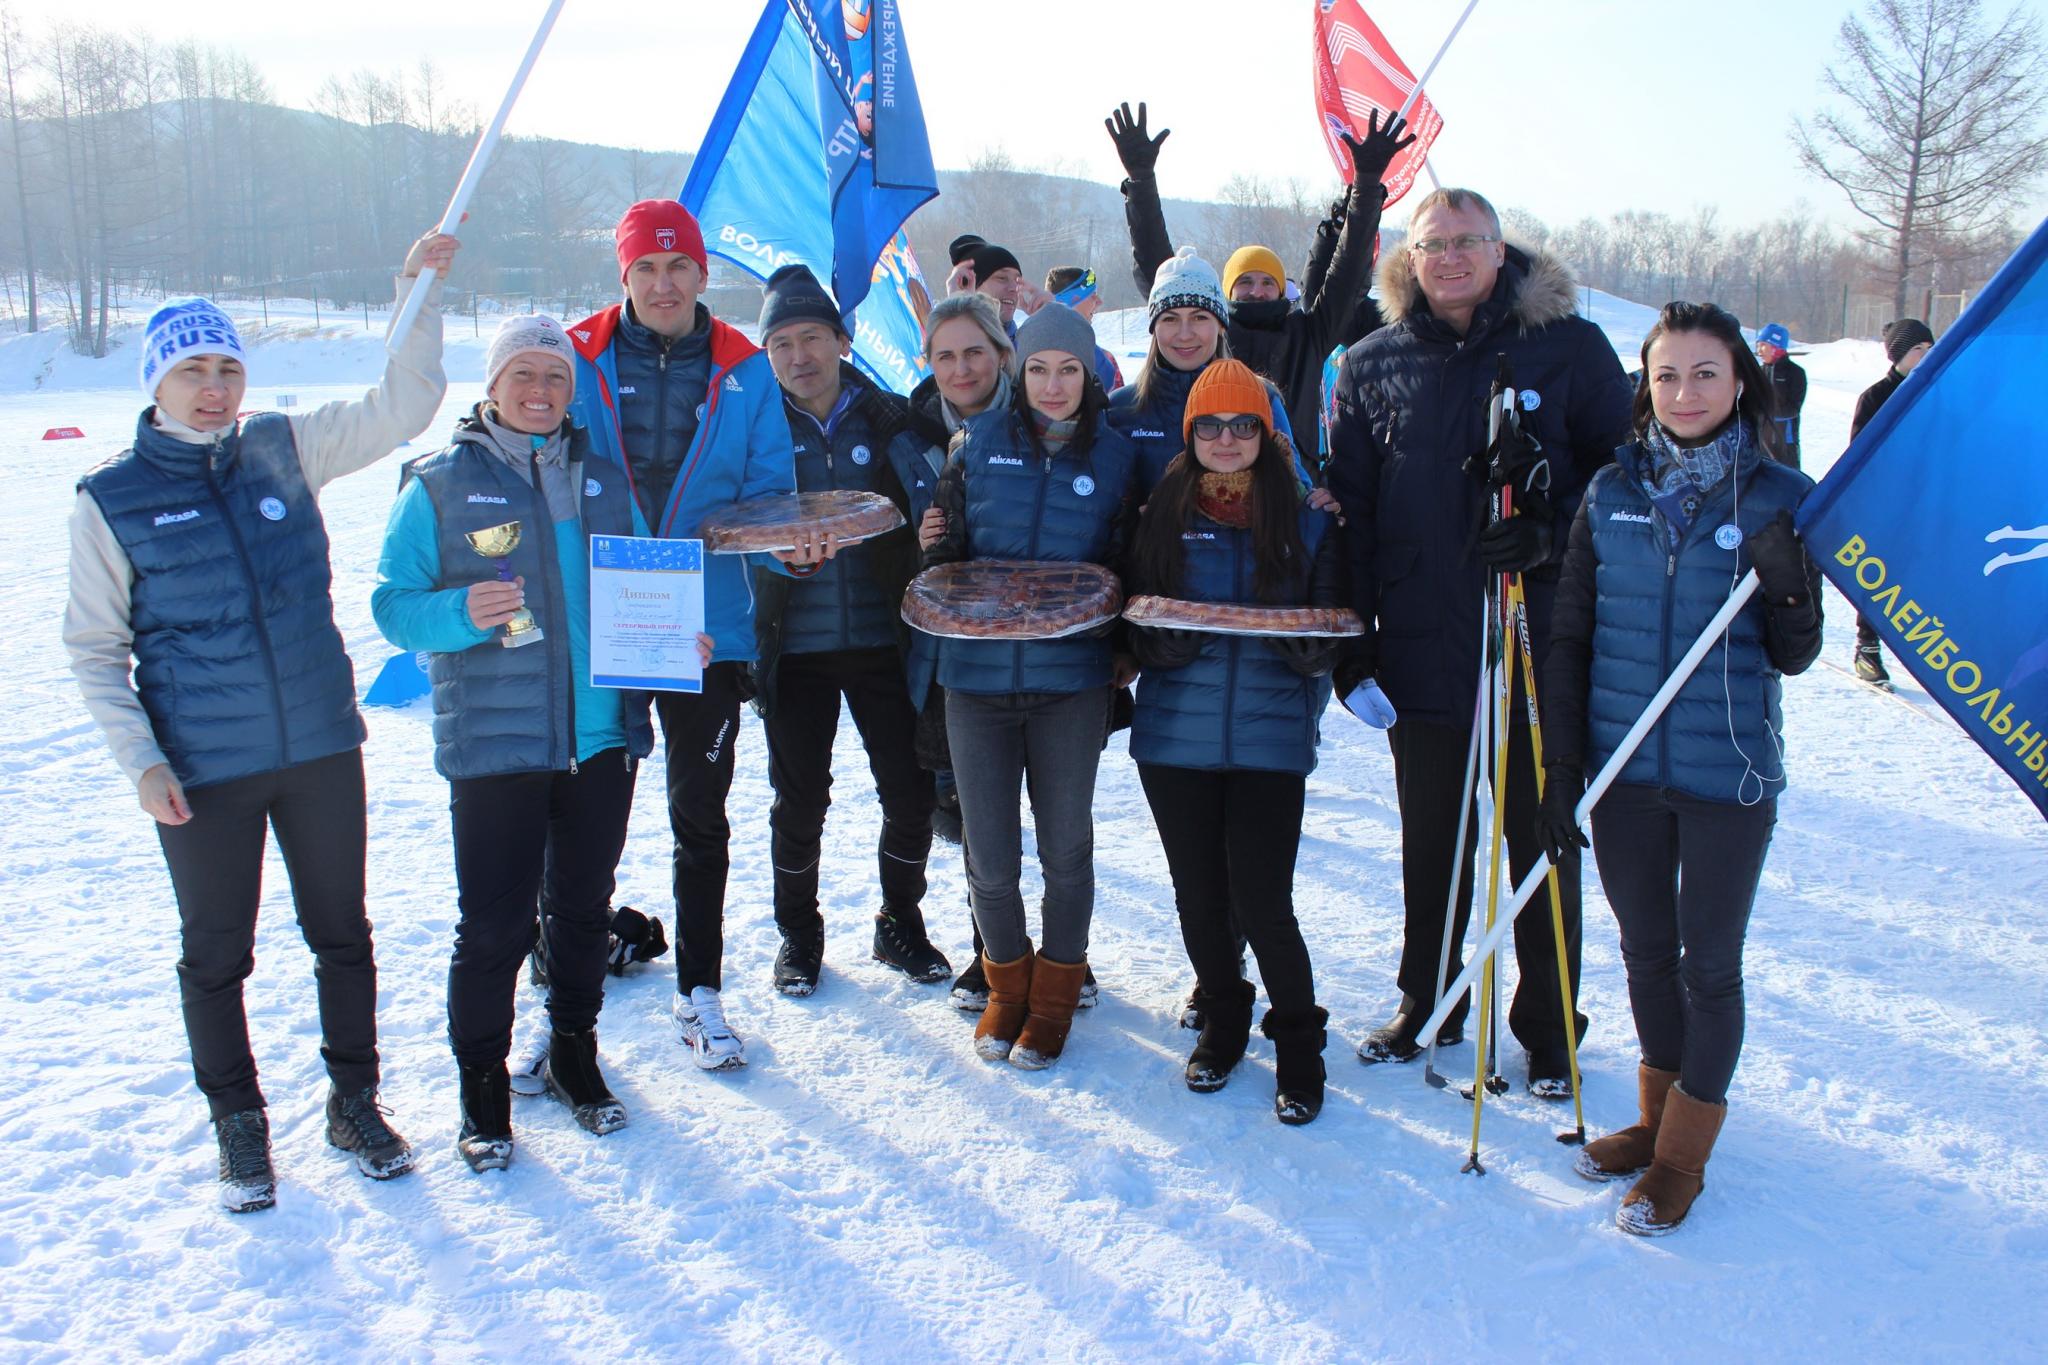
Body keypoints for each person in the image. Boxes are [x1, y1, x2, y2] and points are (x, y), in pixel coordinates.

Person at [64, 229, 455, 1211]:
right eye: (193, 370)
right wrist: (142, 762)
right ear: (157, 382)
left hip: (320, 745)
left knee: (342, 934)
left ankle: (353, 1103)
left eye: (228, 367)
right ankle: (238, 1124)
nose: (214, 387)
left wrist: (416, 293)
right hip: (205, 767)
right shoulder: (111, 499)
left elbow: (401, 406)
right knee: (216, 952)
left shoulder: (282, 449)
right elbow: (91, 648)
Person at [373, 316, 701, 1169]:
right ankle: (483, 1091)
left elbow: (635, 586)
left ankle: (573, 1057)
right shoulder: (439, 485)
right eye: (523, 372)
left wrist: (674, 641)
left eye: (555, 376)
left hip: (599, 740)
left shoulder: (603, 479)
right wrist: (454, 613)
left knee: (583, 913)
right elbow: (390, 604)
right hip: (499, 744)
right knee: (493, 929)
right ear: (492, 384)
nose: (541, 390)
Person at [1325, 187, 1634, 1093]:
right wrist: (1354, 641)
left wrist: (1549, 527)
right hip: (1421, 641)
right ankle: (1430, 997)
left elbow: (1623, 480)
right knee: (1434, 843)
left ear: (1502, 252)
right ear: (1408, 261)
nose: (1451, 258)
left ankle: (1548, 1026)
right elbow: (1351, 512)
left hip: (1534, 636)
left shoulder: (1568, 346)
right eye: (1434, 244)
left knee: (1541, 841)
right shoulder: (1374, 361)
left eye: (1469, 241)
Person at [1538, 300, 1823, 1235]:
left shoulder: (1782, 495)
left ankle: (1682, 1161)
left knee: (1710, 967)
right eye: (1667, 374)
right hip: (1624, 767)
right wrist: (1564, 766)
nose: (1685, 391)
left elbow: (1795, 652)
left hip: (1726, 777)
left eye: (1705, 372)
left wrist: (1786, 582)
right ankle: (1659, 1123)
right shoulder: (1610, 490)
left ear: (1741, 380)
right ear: (1644, 386)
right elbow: (1571, 633)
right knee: (1645, 953)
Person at [565, 201, 805, 1071]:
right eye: (646, 270)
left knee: (699, 816)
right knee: (583, 814)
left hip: (707, 630)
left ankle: (699, 991)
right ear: (623, 277)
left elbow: (772, 492)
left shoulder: (745, 370)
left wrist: (793, 552)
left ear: (703, 274)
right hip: (602, 623)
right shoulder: (574, 354)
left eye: (679, 268)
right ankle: (559, 998)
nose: (664, 285)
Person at [914, 303, 1139, 1070]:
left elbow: (1125, 565)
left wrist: (1123, 649)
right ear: (1018, 371)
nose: (1051, 385)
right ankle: (1007, 985)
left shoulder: (1114, 460)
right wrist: (933, 546)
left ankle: (1053, 996)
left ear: (1088, 375)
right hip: (975, 681)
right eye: (1038, 369)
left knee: (1067, 845)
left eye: (1068, 370)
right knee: (990, 854)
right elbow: (942, 566)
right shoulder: (975, 445)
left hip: (1069, 683)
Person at [1125, 359, 1345, 1124]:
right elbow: (1132, 606)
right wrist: (1156, 647)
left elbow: (1333, 613)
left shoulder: (1308, 514)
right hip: (1174, 736)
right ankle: (1223, 1018)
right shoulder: (1163, 506)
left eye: (1242, 424)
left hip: (1270, 736)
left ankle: (1299, 1045)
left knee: (1263, 899)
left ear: (1265, 430)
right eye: (1210, 425)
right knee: (1199, 897)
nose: (1226, 439)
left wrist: (1313, 651)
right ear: (1190, 433)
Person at [749, 264, 949, 996]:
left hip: (882, 642)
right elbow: (732, 533)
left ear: (843, 337)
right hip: (794, 647)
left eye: (811, 337)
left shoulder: (891, 420)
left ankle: (899, 921)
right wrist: (778, 570)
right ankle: (799, 934)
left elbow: (934, 510)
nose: (799, 356)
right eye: (781, 344)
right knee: (800, 799)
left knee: (909, 790)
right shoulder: (755, 428)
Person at [1107, 100, 1410, 470]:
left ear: (1282, 290)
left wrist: (1365, 188)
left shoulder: (1307, 336)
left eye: (1268, 282)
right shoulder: (1209, 330)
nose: (1256, 290)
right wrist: (1140, 182)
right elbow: (1164, 272)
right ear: (1226, 294)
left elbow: (1347, 275)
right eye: (1245, 281)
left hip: (1289, 487)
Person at [893, 292, 1016, 1007]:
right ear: (928, 363)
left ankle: (1064, 952)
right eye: (946, 355)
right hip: (942, 652)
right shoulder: (907, 435)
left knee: (1054, 812)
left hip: (1032, 644)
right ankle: (990, 950)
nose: (961, 367)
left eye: (975, 351)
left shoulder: (1043, 417)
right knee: (974, 809)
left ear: (1002, 353)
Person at [1107, 247, 1300, 492]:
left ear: (1220, 325)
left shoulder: (1261, 397)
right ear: (1154, 329)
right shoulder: (1120, 408)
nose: (1185, 334)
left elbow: (1295, 490)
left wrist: (1318, 507)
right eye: (1170, 319)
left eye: (1199, 318)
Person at [1845, 318, 1936, 685]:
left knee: (1926, 575)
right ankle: (1867, 647)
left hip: (1927, 500)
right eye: (1918, 350)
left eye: (1931, 348)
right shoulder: (1876, 396)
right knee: (1884, 576)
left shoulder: (1938, 390)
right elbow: (1859, 456)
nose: (1926, 356)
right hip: (1887, 504)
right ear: (1898, 355)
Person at [1045, 266, 1125, 394]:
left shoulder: (1033, 354)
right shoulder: (1033, 355)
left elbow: (1118, 409)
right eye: (1092, 295)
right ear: (1071, 301)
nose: (1099, 302)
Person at [1754, 322, 1807, 470]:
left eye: (1763, 345)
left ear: (1776, 346)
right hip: (1761, 442)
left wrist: (1765, 412)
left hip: (1785, 443)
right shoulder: (1759, 372)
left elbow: (1793, 409)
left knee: (1790, 482)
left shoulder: (1795, 373)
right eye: (1758, 345)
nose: (1759, 351)